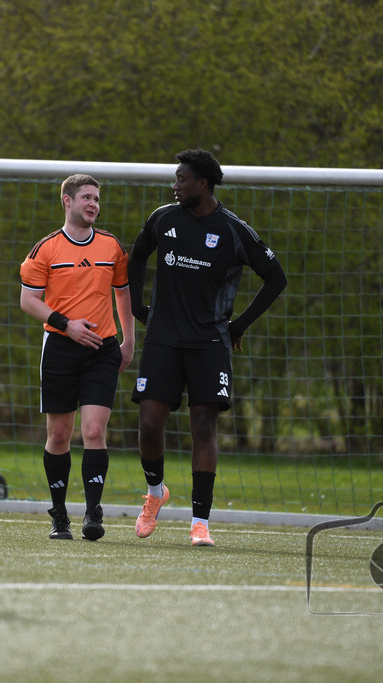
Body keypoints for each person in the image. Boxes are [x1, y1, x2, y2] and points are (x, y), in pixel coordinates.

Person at [127, 149, 287, 546]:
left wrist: (239, 325)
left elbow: (275, 278)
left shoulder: (233, 230)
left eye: (181, 179)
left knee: (203, 427)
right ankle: (155, 493)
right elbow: (136, 256)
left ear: (202, 183)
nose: (175, 185)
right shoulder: (163, 218)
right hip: (163, 339)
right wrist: (136, 307)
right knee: (149, 422)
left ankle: (200, 523)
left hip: (209, 343)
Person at [19, 174, 135, 541]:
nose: (93, 204)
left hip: (102, 349)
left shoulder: (112, 247)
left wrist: (129, 340)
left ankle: (92, 513)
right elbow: (28, 301)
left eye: (97, 199)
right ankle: (59, 516)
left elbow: (123, 294)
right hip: (60, 348)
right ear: (67, 201)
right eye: (86, 197)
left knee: (95, 431)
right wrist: (66, 325)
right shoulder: (45, 249)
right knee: (59, 435)